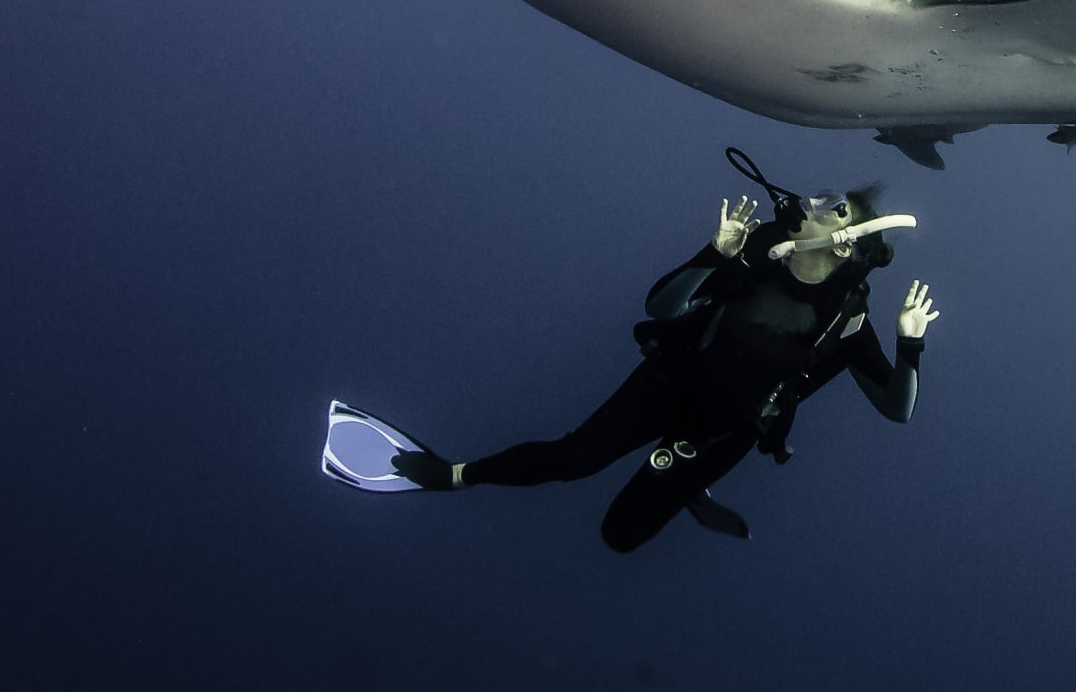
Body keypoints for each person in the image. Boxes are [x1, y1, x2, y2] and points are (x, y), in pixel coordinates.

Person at [384, 149, 940, 553]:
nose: (818, 202)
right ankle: (454, 473)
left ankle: (686, 487)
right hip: (673, 380)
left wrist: (909, 344)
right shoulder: (754, 254)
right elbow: (660, 308)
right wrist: (716, 254)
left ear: (850, 242)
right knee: (574, 459)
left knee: (618, 537)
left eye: (837, 206)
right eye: (823, 197)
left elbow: (897, 409)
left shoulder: (847, 320)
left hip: (725, 427)